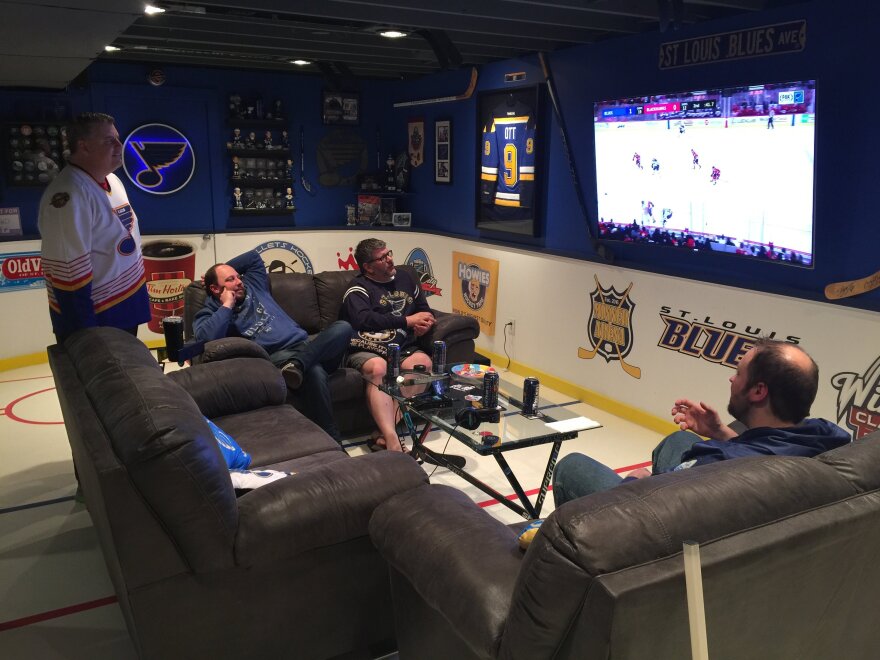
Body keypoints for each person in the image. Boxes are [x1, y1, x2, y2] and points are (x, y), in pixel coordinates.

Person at [553, 339, 850, 507]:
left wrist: (635, 481)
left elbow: (645, 510)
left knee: (573, 466)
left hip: (659, 527)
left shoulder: (715, 464)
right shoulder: (828, 439)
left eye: (738, 373)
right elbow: (762, 454)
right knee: (677, 441)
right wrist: (721, 433)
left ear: (759, 391)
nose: (732, 379)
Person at [193, 250, 351, 443]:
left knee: (343, 327)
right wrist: (227, 306)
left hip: (306, 346)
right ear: (215, 289)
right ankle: (333, 440)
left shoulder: (254, 285)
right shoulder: (211, 311)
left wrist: (220, 269)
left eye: (238, 276)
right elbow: (206, 338)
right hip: (278, 357)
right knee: (316, 372)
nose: (239, 282)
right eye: (230, 280)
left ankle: (298, 365)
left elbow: (252, 257)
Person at [38, 112, 150, 344]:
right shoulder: (69, 195)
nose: (120, 145)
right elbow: (69, 275)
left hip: (125, 308)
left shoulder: (113, 180)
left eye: (118, 139)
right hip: (98, 318)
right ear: (84, 146)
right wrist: (85, 336)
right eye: (110, 140)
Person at [341, 238, 435, 453]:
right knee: (379, 368)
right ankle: (393, 442)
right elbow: (362, 320)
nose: (390, 259)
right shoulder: (358, 288)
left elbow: (424, 309)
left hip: (403, 345)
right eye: (382, 258)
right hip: (367, 346)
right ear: (368, 267)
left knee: (422, 365)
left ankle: (383, 434)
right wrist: (406, 321)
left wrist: (425, 323)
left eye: (389, 253)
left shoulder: (407, 278)